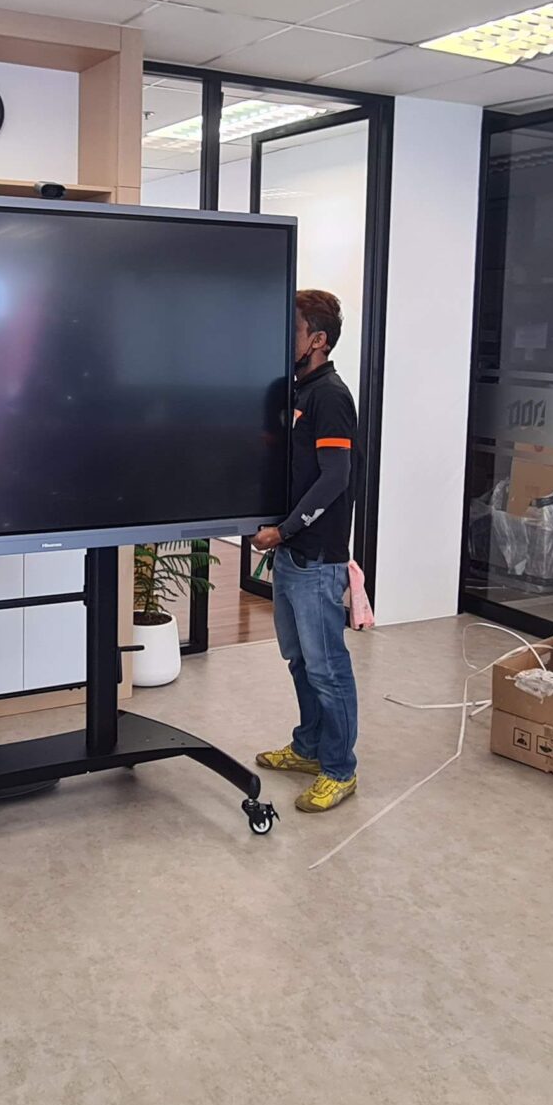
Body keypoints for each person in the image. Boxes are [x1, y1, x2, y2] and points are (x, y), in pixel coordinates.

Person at [250, 289, 361, 813]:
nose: (281, 338)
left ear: (317, 340)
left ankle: (340, 770)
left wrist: (286, 529)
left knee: (327, 668)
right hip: (292, 553)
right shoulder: (297, 390)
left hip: (316, 555)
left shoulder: (330, 396)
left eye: (291, 330)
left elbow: (335, 477)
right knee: (300, 661)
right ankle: (309, 748)